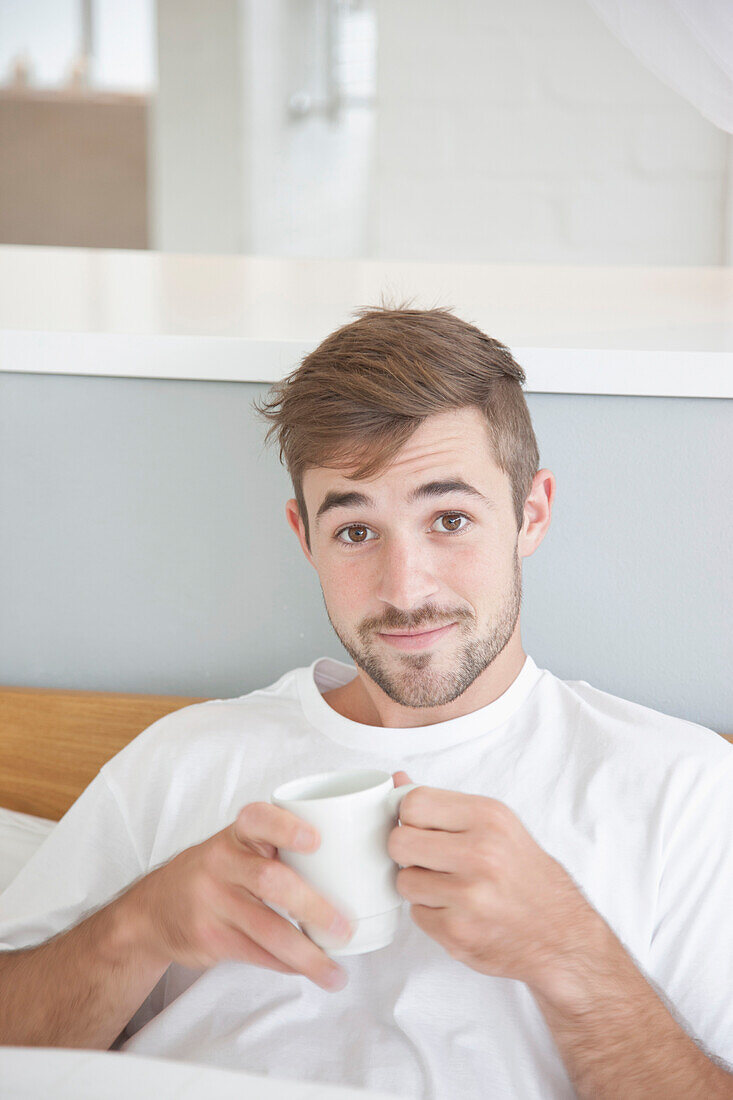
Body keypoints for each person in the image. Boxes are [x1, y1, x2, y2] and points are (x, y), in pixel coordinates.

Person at [0, 304, 731, 1099]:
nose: (404, 589)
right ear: (304, 536)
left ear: (531, 514)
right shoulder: (182, 759)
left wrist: (569, 953)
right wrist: (137, 929)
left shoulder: (677, 785)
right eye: (355, 531)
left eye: (448, 519)